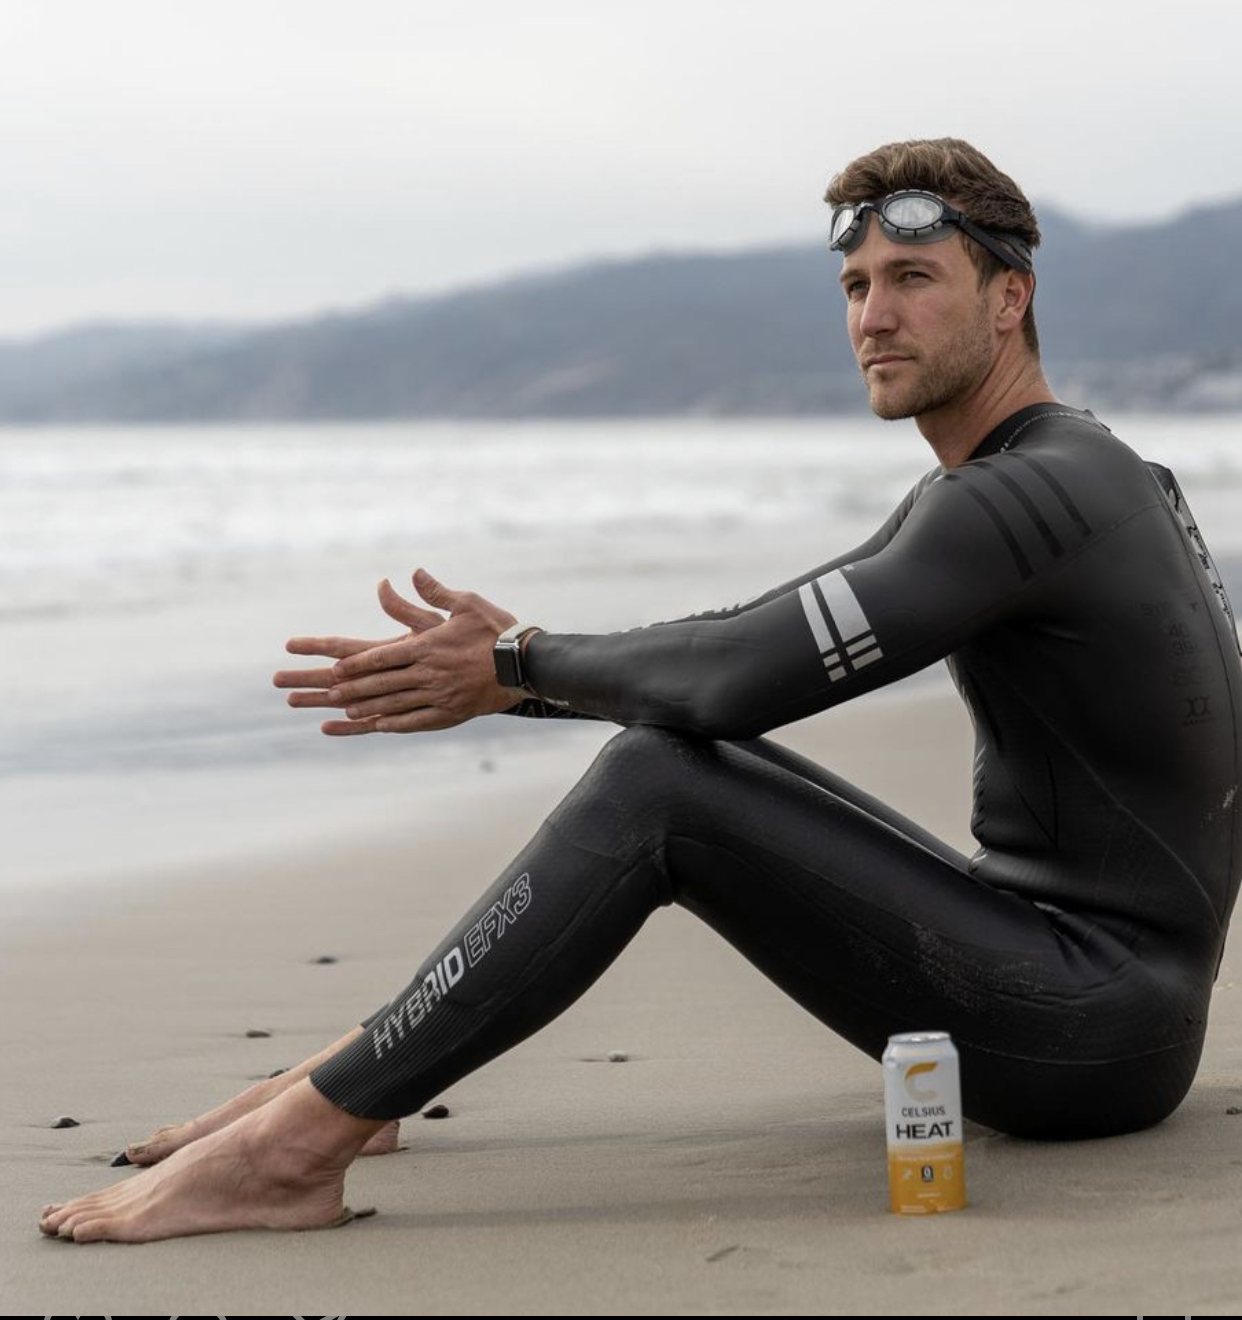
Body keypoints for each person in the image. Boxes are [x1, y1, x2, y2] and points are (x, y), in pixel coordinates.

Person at [40, 137, 1242, 1244]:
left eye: (913, 278)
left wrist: (518, 663)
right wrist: (514, 679)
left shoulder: (1018, 500)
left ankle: (297, 1149)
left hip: (1088, 1030)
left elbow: (735, 678)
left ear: (1009, 297)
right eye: (854, 285)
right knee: (682, 764)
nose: (873, 316)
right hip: (1092, 992)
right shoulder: (1066, 474)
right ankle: (357, 1078)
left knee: (658, 788)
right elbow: (744, 641)